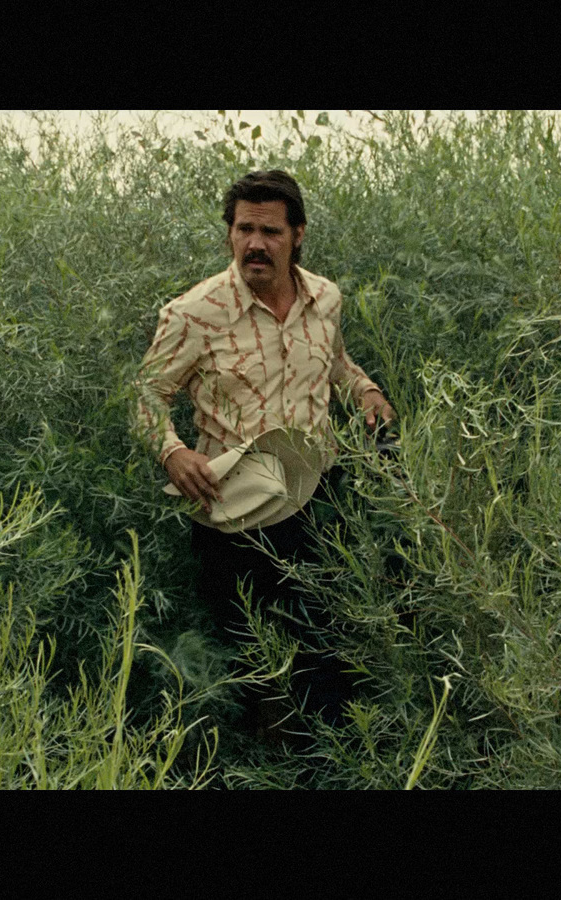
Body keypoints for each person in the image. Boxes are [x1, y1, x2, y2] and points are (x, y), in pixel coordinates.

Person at [132, 169, 394, 741]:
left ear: (297, 234)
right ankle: (259, 759)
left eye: (270, 231)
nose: (255, 243)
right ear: (229, 234)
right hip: (233, 509)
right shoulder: (194, 313)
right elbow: (147, 394)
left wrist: (365, 390)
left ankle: (324, 756)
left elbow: (335, 364)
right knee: (249, 653)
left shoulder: (325, 299)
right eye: (244, 229)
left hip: (317, 496)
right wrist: (173, 452)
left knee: (325, 641)